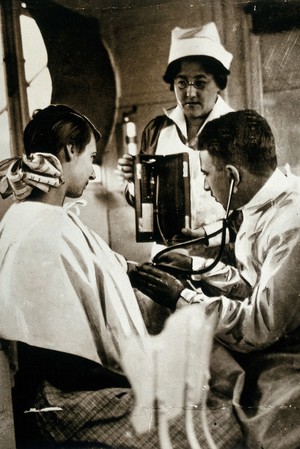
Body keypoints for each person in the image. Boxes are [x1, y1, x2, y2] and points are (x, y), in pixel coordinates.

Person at [0, 104, 243, 449]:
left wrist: (135, 269)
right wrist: (137, 376)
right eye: (91, 157)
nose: (95, 173)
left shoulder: (36, 217)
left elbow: (99, 264)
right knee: (221, 425)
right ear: (70, 150)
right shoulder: (43, 228)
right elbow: (57, 359)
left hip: (78, 385)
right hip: (66, 401)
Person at [131, 109, 300, 449]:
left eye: (207, 174)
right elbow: (251, 285)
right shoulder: (261, 204)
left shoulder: (290, 223)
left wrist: (183, 297)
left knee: (272, 426)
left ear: (234, 175)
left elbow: (259, 323)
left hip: (286, 349)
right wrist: (195, 267)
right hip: (271, 330)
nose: (206, 187)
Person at [116, 22, 234, 253]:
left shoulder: (235, 129)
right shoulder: (157, 130)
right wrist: (134, 181)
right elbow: (144, 204)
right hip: (168, 253)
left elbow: (251, 210)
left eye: (200, 82)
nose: (190, 93)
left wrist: (205, 237)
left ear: (219, 83)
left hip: (223, 254)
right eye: (181, 83)